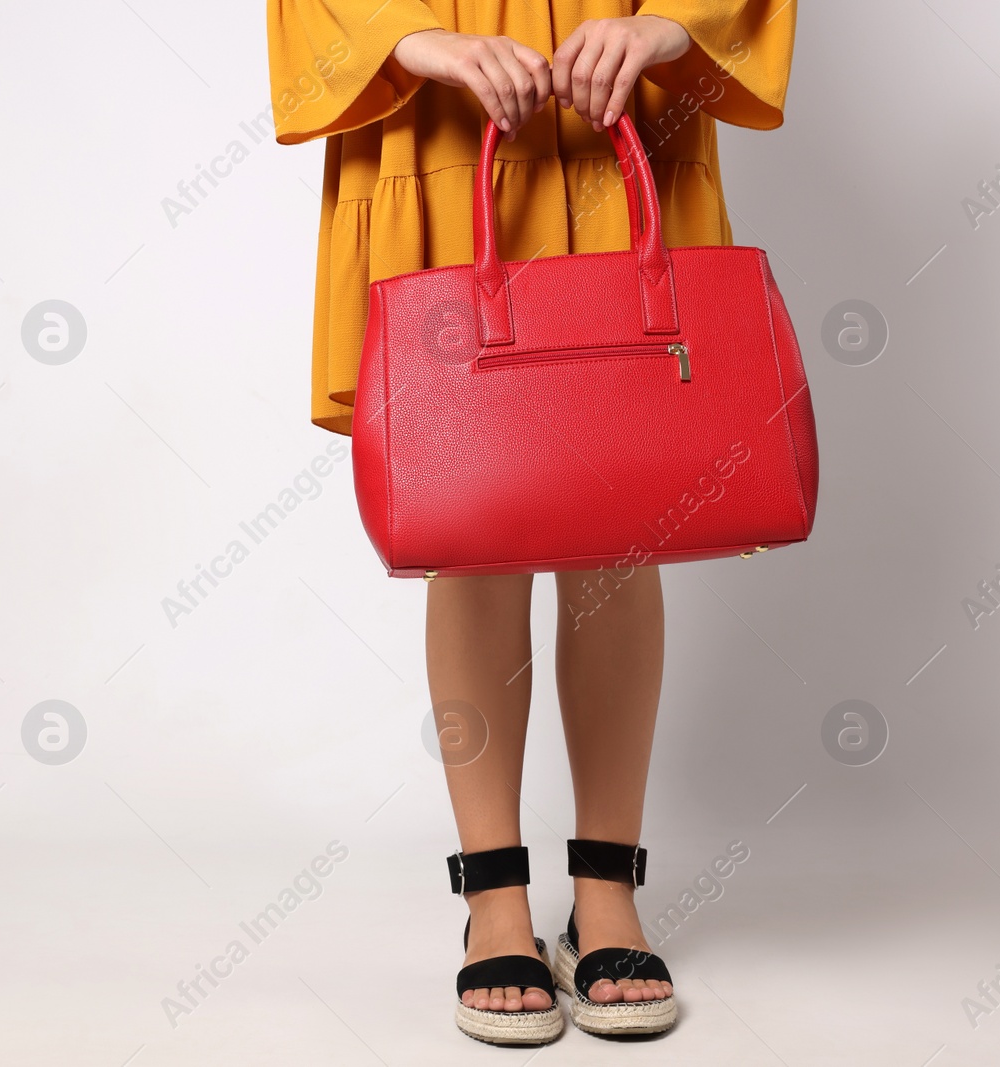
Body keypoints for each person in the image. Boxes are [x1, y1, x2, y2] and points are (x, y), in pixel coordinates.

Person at [264, 0, 797, 1043]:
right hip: (442, 104)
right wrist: (415, 43)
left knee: (623, 514)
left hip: (619, 92)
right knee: (475, 510)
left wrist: (672, 27)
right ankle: (493, 896)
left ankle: (606, 886)